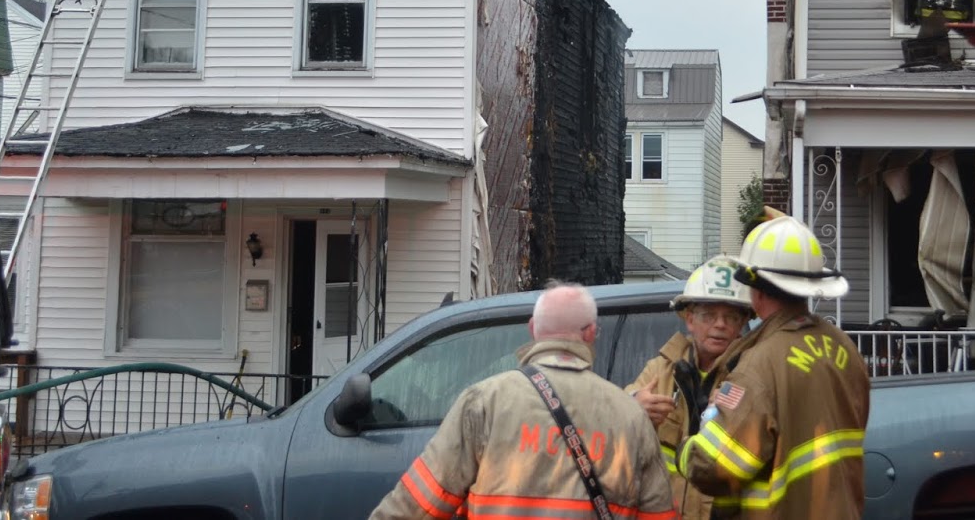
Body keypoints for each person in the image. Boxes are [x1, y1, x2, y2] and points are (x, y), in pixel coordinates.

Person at [367, 282, 677, 520]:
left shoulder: (485, 401)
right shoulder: (630, 416)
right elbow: (658, 514)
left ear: (532, 329)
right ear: (592, 333)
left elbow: (419, 503)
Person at [678, 216, 870, 519]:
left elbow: (717, 466)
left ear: (759, 292)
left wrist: (686, 449)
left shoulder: (758, 365)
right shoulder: (843, 347)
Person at [626, 256, 753, 520]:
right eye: (709, 315)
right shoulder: (660, 370)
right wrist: (634, 404)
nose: (720, 324)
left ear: (743, 324)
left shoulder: (751, 379)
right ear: (689, 320)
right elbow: (614, 422)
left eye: (730, 316)